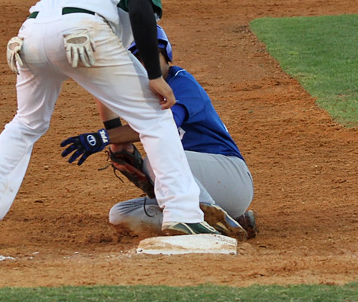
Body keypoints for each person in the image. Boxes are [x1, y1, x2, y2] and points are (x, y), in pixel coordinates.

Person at [0, 0, 222, 250]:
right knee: (156, 116)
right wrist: (155, 77)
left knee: (27, 123)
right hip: (80, 29)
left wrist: (112, 128)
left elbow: (112, 73)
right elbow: (141, 8)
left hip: (28, 37)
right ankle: (184, 214)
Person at [61, 25, 257, 240]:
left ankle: (211, 215)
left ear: (166, 55)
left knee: (157, 157)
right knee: (121, 214)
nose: (148, 65)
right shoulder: (143, 94)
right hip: (195, 179)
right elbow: (121, 141)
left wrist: (100, 138)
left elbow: (160, 128)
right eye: (140, 60)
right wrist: (99, 83)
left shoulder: (181, 83)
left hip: (230, 177)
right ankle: (229, 222)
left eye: (153, 56)